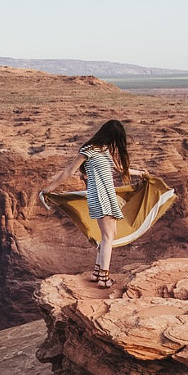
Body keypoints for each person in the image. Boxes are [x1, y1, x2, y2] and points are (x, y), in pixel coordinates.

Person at [42, 118, 145, 287]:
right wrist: (51, 188)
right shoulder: (88, 150)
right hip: (100, 196)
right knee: (107, 237)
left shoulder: (104, 150)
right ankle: (103, 279)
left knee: (109, 235)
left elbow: (120, 168)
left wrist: (139, 173)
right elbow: (70, 170)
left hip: (107, 195)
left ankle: (97, 272)